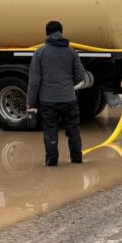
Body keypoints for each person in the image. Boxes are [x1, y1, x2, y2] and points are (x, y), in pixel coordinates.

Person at [26, 20, 86, 166]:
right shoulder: (71, 52)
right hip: (69, 99)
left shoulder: (40, 52)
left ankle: (52, 161)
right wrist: (66, 85)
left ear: (47, 33)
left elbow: (34, 81)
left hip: (48, 101)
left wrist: (30, 103)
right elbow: (81, 76)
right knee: (73, 130)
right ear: (61, 31)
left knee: (50, 131)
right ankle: (77, 159)